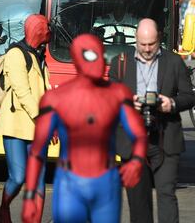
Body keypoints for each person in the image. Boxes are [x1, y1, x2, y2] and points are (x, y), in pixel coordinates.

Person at [21, 34, 147, 223]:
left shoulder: (118, 94)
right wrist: (30, 195)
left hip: (105, 183)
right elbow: (37, 151)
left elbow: (139, 134)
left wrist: (137, 160)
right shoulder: (56, 99)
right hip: (71, 185)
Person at [109, 18, 195, 223]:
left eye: (152, 44)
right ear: (135, 40)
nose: (147, 49)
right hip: (132, 142)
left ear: (159, 40)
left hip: (166, 139)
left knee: (166, 195)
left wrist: (171, 104)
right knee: (138, 201)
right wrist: (128, 102)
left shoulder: (174, 62)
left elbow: (189, 97)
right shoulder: (120, 62)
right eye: (142, 44)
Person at [0, 14, 51, 223]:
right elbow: (23, 92)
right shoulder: (15, 54)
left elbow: (44, 90)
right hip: (16, 125)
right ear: (37, 31)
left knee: (37, 179)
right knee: (18, 177)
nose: (48, 33)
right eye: (45, 29)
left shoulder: (40, 54)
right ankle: (4, 207)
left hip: (38, 127)